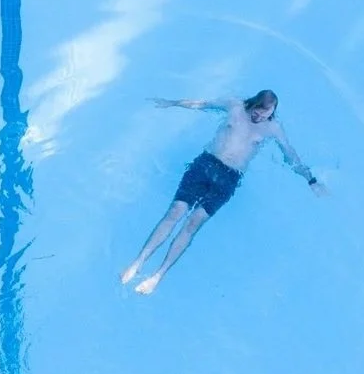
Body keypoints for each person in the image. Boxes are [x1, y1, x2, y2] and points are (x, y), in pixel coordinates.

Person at [120, 90, 326, 295]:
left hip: (229, 178)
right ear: (253, 104)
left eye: (266, 115)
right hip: (205, 164)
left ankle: (158, 275)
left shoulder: (273, 128)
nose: (259, 118)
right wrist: (172, 102)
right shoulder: (235, 106)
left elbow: (291, 155)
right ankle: (138, 262)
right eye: (258, 112)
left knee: (192, 223)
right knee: (175, 212)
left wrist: (311, 180)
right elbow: (202, 103)